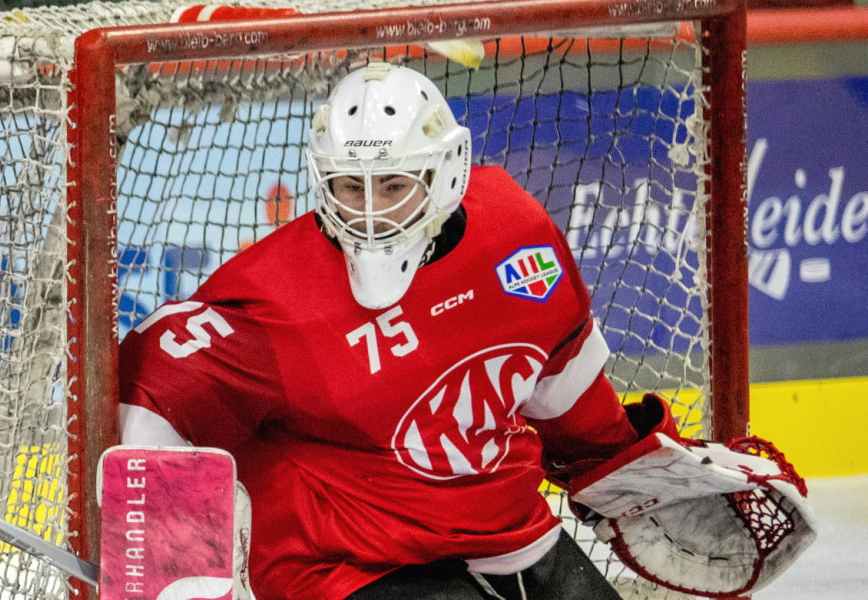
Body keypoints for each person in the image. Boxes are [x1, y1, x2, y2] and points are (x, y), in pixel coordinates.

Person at [115, 63, 648, 600]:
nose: (371, 214)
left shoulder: (514, 231)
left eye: (393, 185)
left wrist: (631, 473)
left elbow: (561, 379)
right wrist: (172, 567)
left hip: (498, 525)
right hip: (342, 563)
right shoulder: (273, 295)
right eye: (350, 186)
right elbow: (147, 401)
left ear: (446, 172)